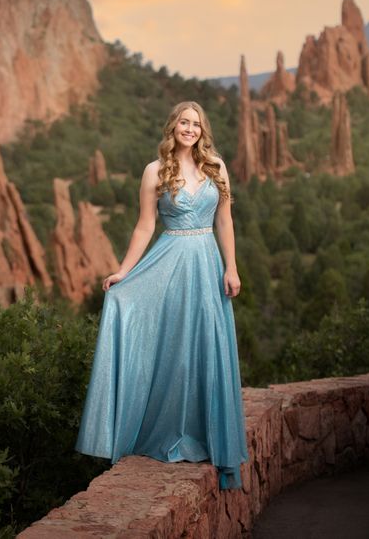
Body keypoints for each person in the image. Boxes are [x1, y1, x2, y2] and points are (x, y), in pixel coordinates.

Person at [75, 101, 249, 490]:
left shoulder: (216, 167)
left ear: (203, 131)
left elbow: (225, 220)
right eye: (184, 123)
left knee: (205, 346)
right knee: (173, 350)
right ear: (173, 127)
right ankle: (162, 432)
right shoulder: (154, 171)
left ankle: (208, 438)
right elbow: (144, 226)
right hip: (169, 264)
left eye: (196, 124)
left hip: (206, 264)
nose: (190, 129)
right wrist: (124, 271)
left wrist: (231, 266)